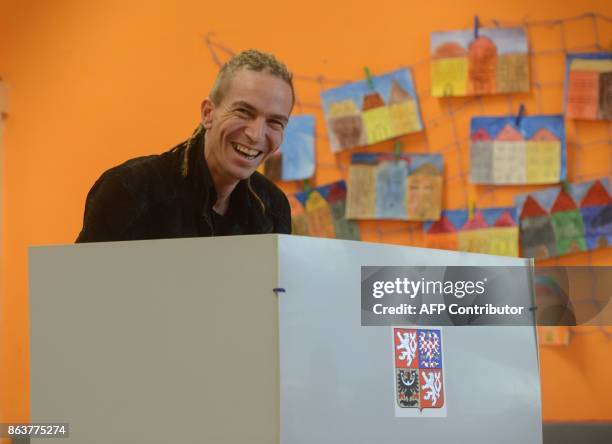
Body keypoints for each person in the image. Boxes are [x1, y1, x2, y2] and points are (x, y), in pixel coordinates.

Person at [76, 49, 294, 242]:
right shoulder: (129, 189)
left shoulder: (274, 207)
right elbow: (83, 285)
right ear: (208, 114)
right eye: (243, 112)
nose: (256, 135)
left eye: (275, 122)